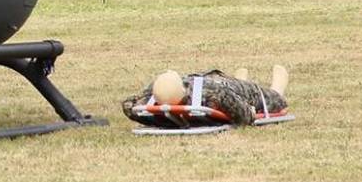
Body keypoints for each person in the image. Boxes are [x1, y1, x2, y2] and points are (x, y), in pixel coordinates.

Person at [122, 66, 289, 125]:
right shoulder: (153, 93)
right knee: (236, 93)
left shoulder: (214, 95)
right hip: (216, 85)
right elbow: (245, 114)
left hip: (223, 85)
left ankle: (277, 87)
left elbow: (245, 115)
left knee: (276, 100)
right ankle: (240, 79)